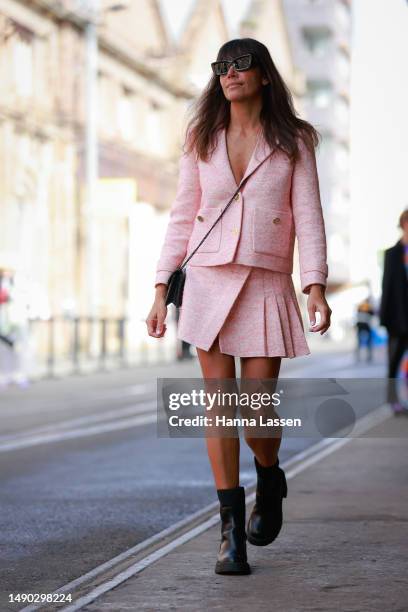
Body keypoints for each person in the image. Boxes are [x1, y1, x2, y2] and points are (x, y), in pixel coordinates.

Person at [146, 38, 331, 575]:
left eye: (242, 63)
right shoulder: (202, 137)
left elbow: (309, 215)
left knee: (256, 410)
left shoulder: (294, 140)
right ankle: (230, 530)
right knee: (218, 405)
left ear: (264, 75)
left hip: (266, 278)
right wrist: (161, 287)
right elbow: (183, 215)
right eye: (222, 66)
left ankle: (269, 474)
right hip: (206, 279)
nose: (230, 73)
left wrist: (314, 282)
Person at [379, 209, 408, 414]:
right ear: (404, 224)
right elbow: (387, 287)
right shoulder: (392, 253)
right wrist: (386, 320)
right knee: (393, 363)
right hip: (397, 321)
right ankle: (392, 400)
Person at [355, 297, 375, 363]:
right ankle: (368, 356)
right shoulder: (368, 307)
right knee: (367, 342)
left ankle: (359, 356)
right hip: (365, 325)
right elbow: (373, 314)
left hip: (360, 325)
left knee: (360, 342)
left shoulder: (360, 307)